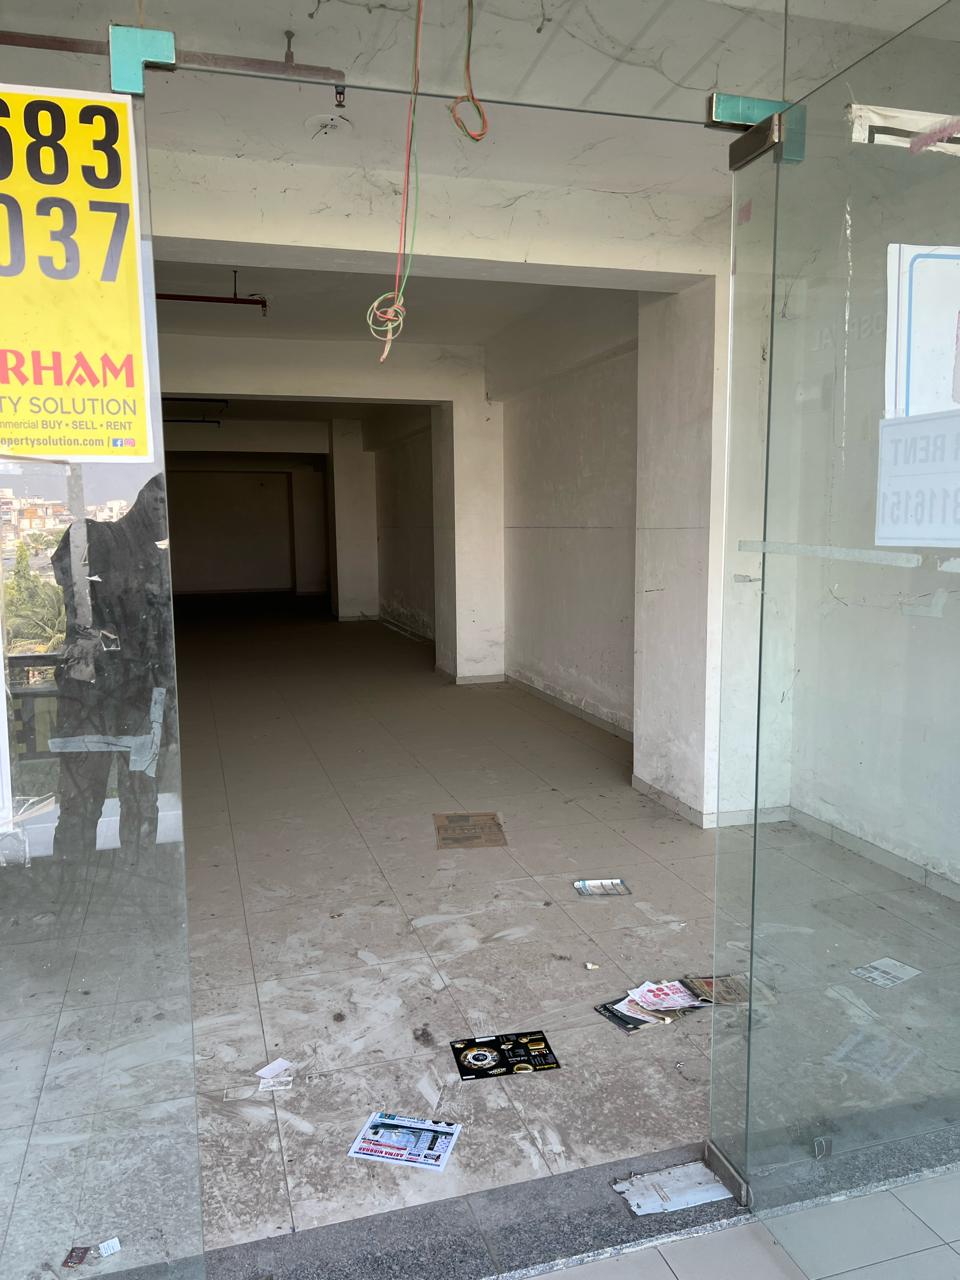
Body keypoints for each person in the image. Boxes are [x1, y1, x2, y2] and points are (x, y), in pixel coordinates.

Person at [50, 474, 175, 858]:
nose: (167, 517)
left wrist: (167, 703)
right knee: (81, 804)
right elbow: (76, 592)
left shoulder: (159, 559)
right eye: (162, 503)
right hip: (93, 695)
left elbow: (163, 639)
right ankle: (72, 883)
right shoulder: (94, 536)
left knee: (141, 803)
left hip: (141, 696)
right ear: (147, 500)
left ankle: (136, 878)